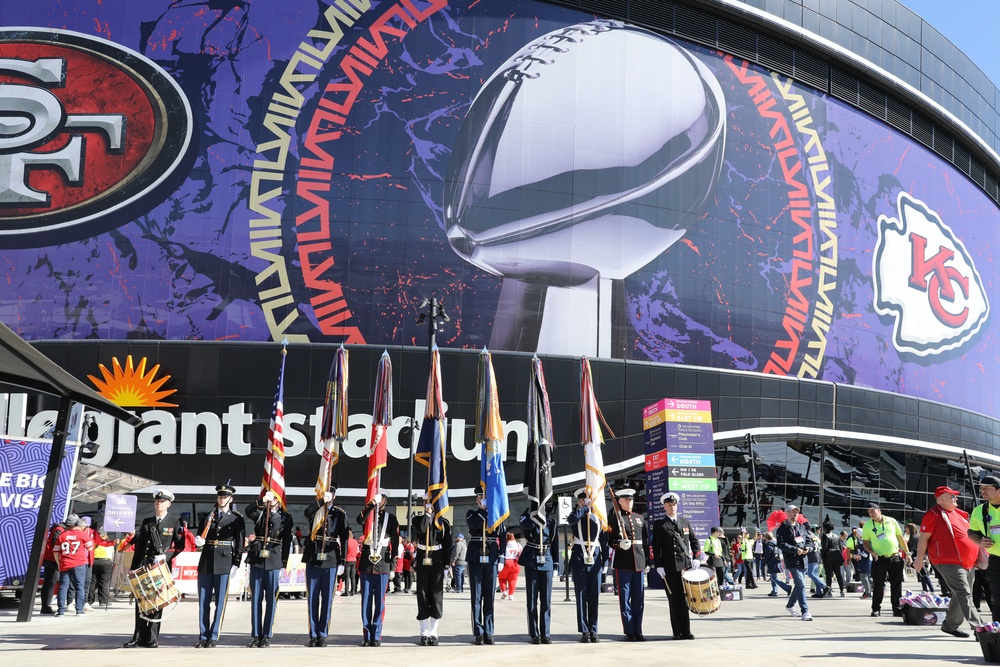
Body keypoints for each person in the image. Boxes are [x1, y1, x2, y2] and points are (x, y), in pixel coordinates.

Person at [914, 485, 982, 638]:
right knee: (964, 593)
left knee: (962, 594)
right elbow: (923, 538)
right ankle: (980, 629)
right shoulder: (933, 514)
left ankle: (950, 625)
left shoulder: (958, 513)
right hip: (947, 561)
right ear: (942, 499)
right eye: (952, 496)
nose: (956, 498)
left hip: (968, 562)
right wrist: (919, 558)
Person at [123, 489, 185, 648]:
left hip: (159, 567)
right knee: (141, 602)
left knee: (156, 602)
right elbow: (140, 547)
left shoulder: (174, 521)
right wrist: (133, 568)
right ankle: (137, 637)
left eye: (162, 501)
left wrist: (167, 556)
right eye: (157, 501)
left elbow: (180, 545)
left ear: (169, 504)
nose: (159, 503)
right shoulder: (147, 521)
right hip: (144, 566)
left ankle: (151, 638)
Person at [194, 482, 246, 648]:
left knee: (220, 603)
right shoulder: (208, 516)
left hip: (224, 560)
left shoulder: (236, 518)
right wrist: (198, 541)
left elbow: (239, 542)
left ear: (231, 499)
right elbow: (200, 535)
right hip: (207, 560)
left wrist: (236, 563)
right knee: (203, 601)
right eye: (220, 496)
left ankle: (213, 636)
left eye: (225, 496)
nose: (222, 499)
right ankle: (203, 635)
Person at [303, 486, 350, 647]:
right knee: (313, 599)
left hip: (330, 558)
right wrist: (322, 501)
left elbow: (344, 538)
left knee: (327, 599)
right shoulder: (315, 509)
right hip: (313, 557)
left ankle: (322, 634)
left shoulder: (340, 513)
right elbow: (306, 513)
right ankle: (313, 634)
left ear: (334, 496)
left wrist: (342, 561)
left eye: (330, 494)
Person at [245, 490, 293, 647]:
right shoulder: (259, 512)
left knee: (271, 599)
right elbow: (248, 511)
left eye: (274, 497)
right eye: (269, 497)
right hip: (257, 558)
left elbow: (286, 541)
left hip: (274, 558)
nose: (272, 500)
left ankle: (266, 635)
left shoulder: (286, 517)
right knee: (256, 599)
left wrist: (284, 563)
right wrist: (261, 500)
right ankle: (256, 635)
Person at [652, 491, 700, 640]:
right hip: (670, 568)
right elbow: (656, 546)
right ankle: (677, 631)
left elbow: (694, 541)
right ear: (664, 507)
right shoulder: (660, 524)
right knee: (674, 600)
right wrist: (658, 565)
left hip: (685, 568)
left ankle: (686, 630)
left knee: (685, 599)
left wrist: (696, 556)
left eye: (674, 505)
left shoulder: (685, 522)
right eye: (669, 505)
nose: (672, 507)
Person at [357, 491, 401, 647]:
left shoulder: (392, 519)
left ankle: (376, 635)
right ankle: (366, 634)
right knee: (366, 601)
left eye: (381, 497)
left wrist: (393, 567)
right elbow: (359, 519)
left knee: (380, 602)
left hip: (383, 562)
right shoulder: (368, 514)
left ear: (385, 500)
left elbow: (395, 543)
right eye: (376, 497)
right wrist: (370, 505)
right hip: (367, 564)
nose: (378, 500)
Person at [567, 487, 609, 643]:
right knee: (581, 596)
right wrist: (585, 508)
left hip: (595, 557)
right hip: (579, 558)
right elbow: (571, 521)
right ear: (579, 500)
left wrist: (605, 561)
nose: (588, 501)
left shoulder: (598, 517)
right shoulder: (576, 514)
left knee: (594, 597)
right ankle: (584, 630)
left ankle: (593, 629)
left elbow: (604, 540)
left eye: (589, 499)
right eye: (584, 499)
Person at [466, 486, 506, 645]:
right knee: (476, 597)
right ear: (477, 499)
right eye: (480, 497)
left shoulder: (497, 515)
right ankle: (478, 632)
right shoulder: (472, 513)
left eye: (485, 497)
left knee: (489, 596)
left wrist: (502, 555)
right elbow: (474, 525)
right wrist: (483, 510)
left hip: (492, 557)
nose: (482, 499)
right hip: (476, 557)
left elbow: (502, 535)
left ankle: (489, 631)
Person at [411, 495, 452, 646]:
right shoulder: (417, 519)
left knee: (436, 595)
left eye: (432, 502)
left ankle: (433, 632)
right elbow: (421, 529)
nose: (429, 505)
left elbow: (448, 545)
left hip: (437, 558)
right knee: (422, 594)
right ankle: (423, 632)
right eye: (426, 502)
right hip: (423, 558)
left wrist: (447, 565)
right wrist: (428, 515)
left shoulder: (444, 523)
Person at [608, 488, 647, 641]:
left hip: (639, 562)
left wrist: (648, 562)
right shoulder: (614, 518)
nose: (629, 501)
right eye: (626, 499)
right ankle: (629, 631)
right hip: (624, 563)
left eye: (631, 499)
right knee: (625, 599)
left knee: (639, 599)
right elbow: (610, 541)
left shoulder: (639, 518)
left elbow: (645, 541)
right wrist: (619, 544)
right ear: (619, 501)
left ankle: (638, 630)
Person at [862, 502, 911, 618]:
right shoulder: (868, 525)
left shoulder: (891, 521)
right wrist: (872, 552)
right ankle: (876, 609)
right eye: (869, 512)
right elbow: (865, 542)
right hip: (879, 558)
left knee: (896, 585)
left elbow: (900, 538)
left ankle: (896, 608)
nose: (871, 514)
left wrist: (907, 553)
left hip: (895, 557)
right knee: (878, 585)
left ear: (879, 510)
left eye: (873, 511)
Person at [519, 504, 559, 644]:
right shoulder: (526, 516)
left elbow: (554, 543)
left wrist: (555, 565)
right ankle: (534, 633)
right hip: (531, 559)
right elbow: (525, 526)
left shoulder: (551, 522)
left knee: (546, 600)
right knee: (532, 599)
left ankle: (545, 633)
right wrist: (535, 516)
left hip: (546, 559)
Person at [967, 476, 1000, 621]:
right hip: (996, 562)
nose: (983, 491)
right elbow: (972, 533)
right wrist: (980, 541)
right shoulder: (979, 511)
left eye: (988, 488)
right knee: (998, 600)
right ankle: (997, 633)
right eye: (982, 488)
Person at [775, 504, 813, 621]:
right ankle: (805, 611)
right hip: (792, 560)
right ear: (787, 514)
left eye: (797, 512)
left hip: (803, 559)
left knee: (799, 585)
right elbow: (781, 544)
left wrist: (808, 547)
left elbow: (808, 540)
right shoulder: (782, 529)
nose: (795, 515)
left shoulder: (801, 527)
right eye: (792, 512)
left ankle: (790, 605)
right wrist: (795, 549)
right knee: (801, 584)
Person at [55, 515, 94, 617]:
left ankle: (60, 611)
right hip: (79, 563)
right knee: (79, 586)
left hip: (65, 563)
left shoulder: (62, 535)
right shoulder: (83, 534)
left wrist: (58, 563)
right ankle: (79, 610)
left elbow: (55, 551)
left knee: (63, 587)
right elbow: (90, 548)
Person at [87, 524, 116, 607]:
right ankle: (103, 601)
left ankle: (89, 600)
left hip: (94, 561)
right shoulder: (108, 543)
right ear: (105, 535)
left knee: (92, 582)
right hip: (106, 562)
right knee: (104, 582)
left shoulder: (94, 542)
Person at [907, 521, 936, 592]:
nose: (905, 530)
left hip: (918, 557)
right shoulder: (915, 536)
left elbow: (910, 547)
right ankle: (925, 590)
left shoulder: (914, 537)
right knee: (922, 574)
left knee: (923, 574)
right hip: (919, 556)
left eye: (906, 528)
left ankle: (932, 590)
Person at [821, 521, 846, 596]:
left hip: (829, 556)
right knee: (838, 574)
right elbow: (841, 547)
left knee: (829, 574)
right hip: (837, 555)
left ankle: (829, 591)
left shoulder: (825, 536)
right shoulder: (836, 536)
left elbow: (824, 548)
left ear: (825, 528)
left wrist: (823, 557)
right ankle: (842, 590)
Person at [762, 531, 791, 596]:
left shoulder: (769, 545)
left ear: (766, 538)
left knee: (774, 578)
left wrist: (764, 562)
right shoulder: (776, 543)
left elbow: (767, 555)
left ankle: (787, 588)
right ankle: (774, 591)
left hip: (772, 562)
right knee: (773, 577)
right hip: (777, 561)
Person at [848, 522, 872, 598]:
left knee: (864, 577)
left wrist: (859, 556)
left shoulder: (863, 541)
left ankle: (868, 593)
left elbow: (867, 551)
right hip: (864, 560)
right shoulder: (860, 540)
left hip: (865, 561)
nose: (856, 534)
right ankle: (868, 591)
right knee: (866, 577)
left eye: (857, 533)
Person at [499, 531, 522, 600]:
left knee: (502, 578)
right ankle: (511, 595)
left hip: (506, 562)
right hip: (515, 563)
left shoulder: (504, 545)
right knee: (513, 580)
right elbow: (521, 553)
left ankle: (504, 591)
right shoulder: (518, 544)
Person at [341, 529, 359, 596]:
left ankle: (346, 591)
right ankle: (353, 590)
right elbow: (357, 551)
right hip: (354, 560)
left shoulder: (346, 541)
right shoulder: (355, 541)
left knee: (347, 576)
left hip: (347, 559)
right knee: (353, 576)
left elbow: (343, 551)